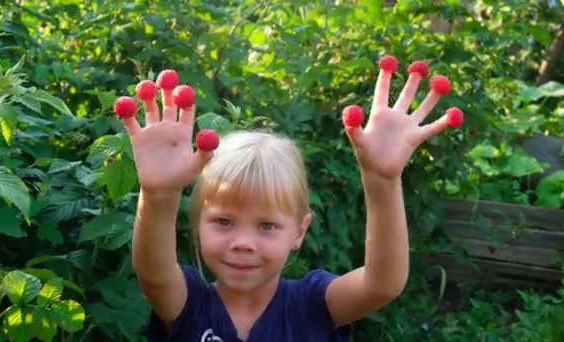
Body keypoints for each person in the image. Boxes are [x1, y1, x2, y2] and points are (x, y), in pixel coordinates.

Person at [124, 57, 459, 341]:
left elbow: (381, 284)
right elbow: (153, 273)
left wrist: (382, 181)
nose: (243, 242)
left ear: (300, 231)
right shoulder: (187, 302)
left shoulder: (314, 304)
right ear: (197, 222)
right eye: (223, 221)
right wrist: (158, 196)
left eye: (267, 225)